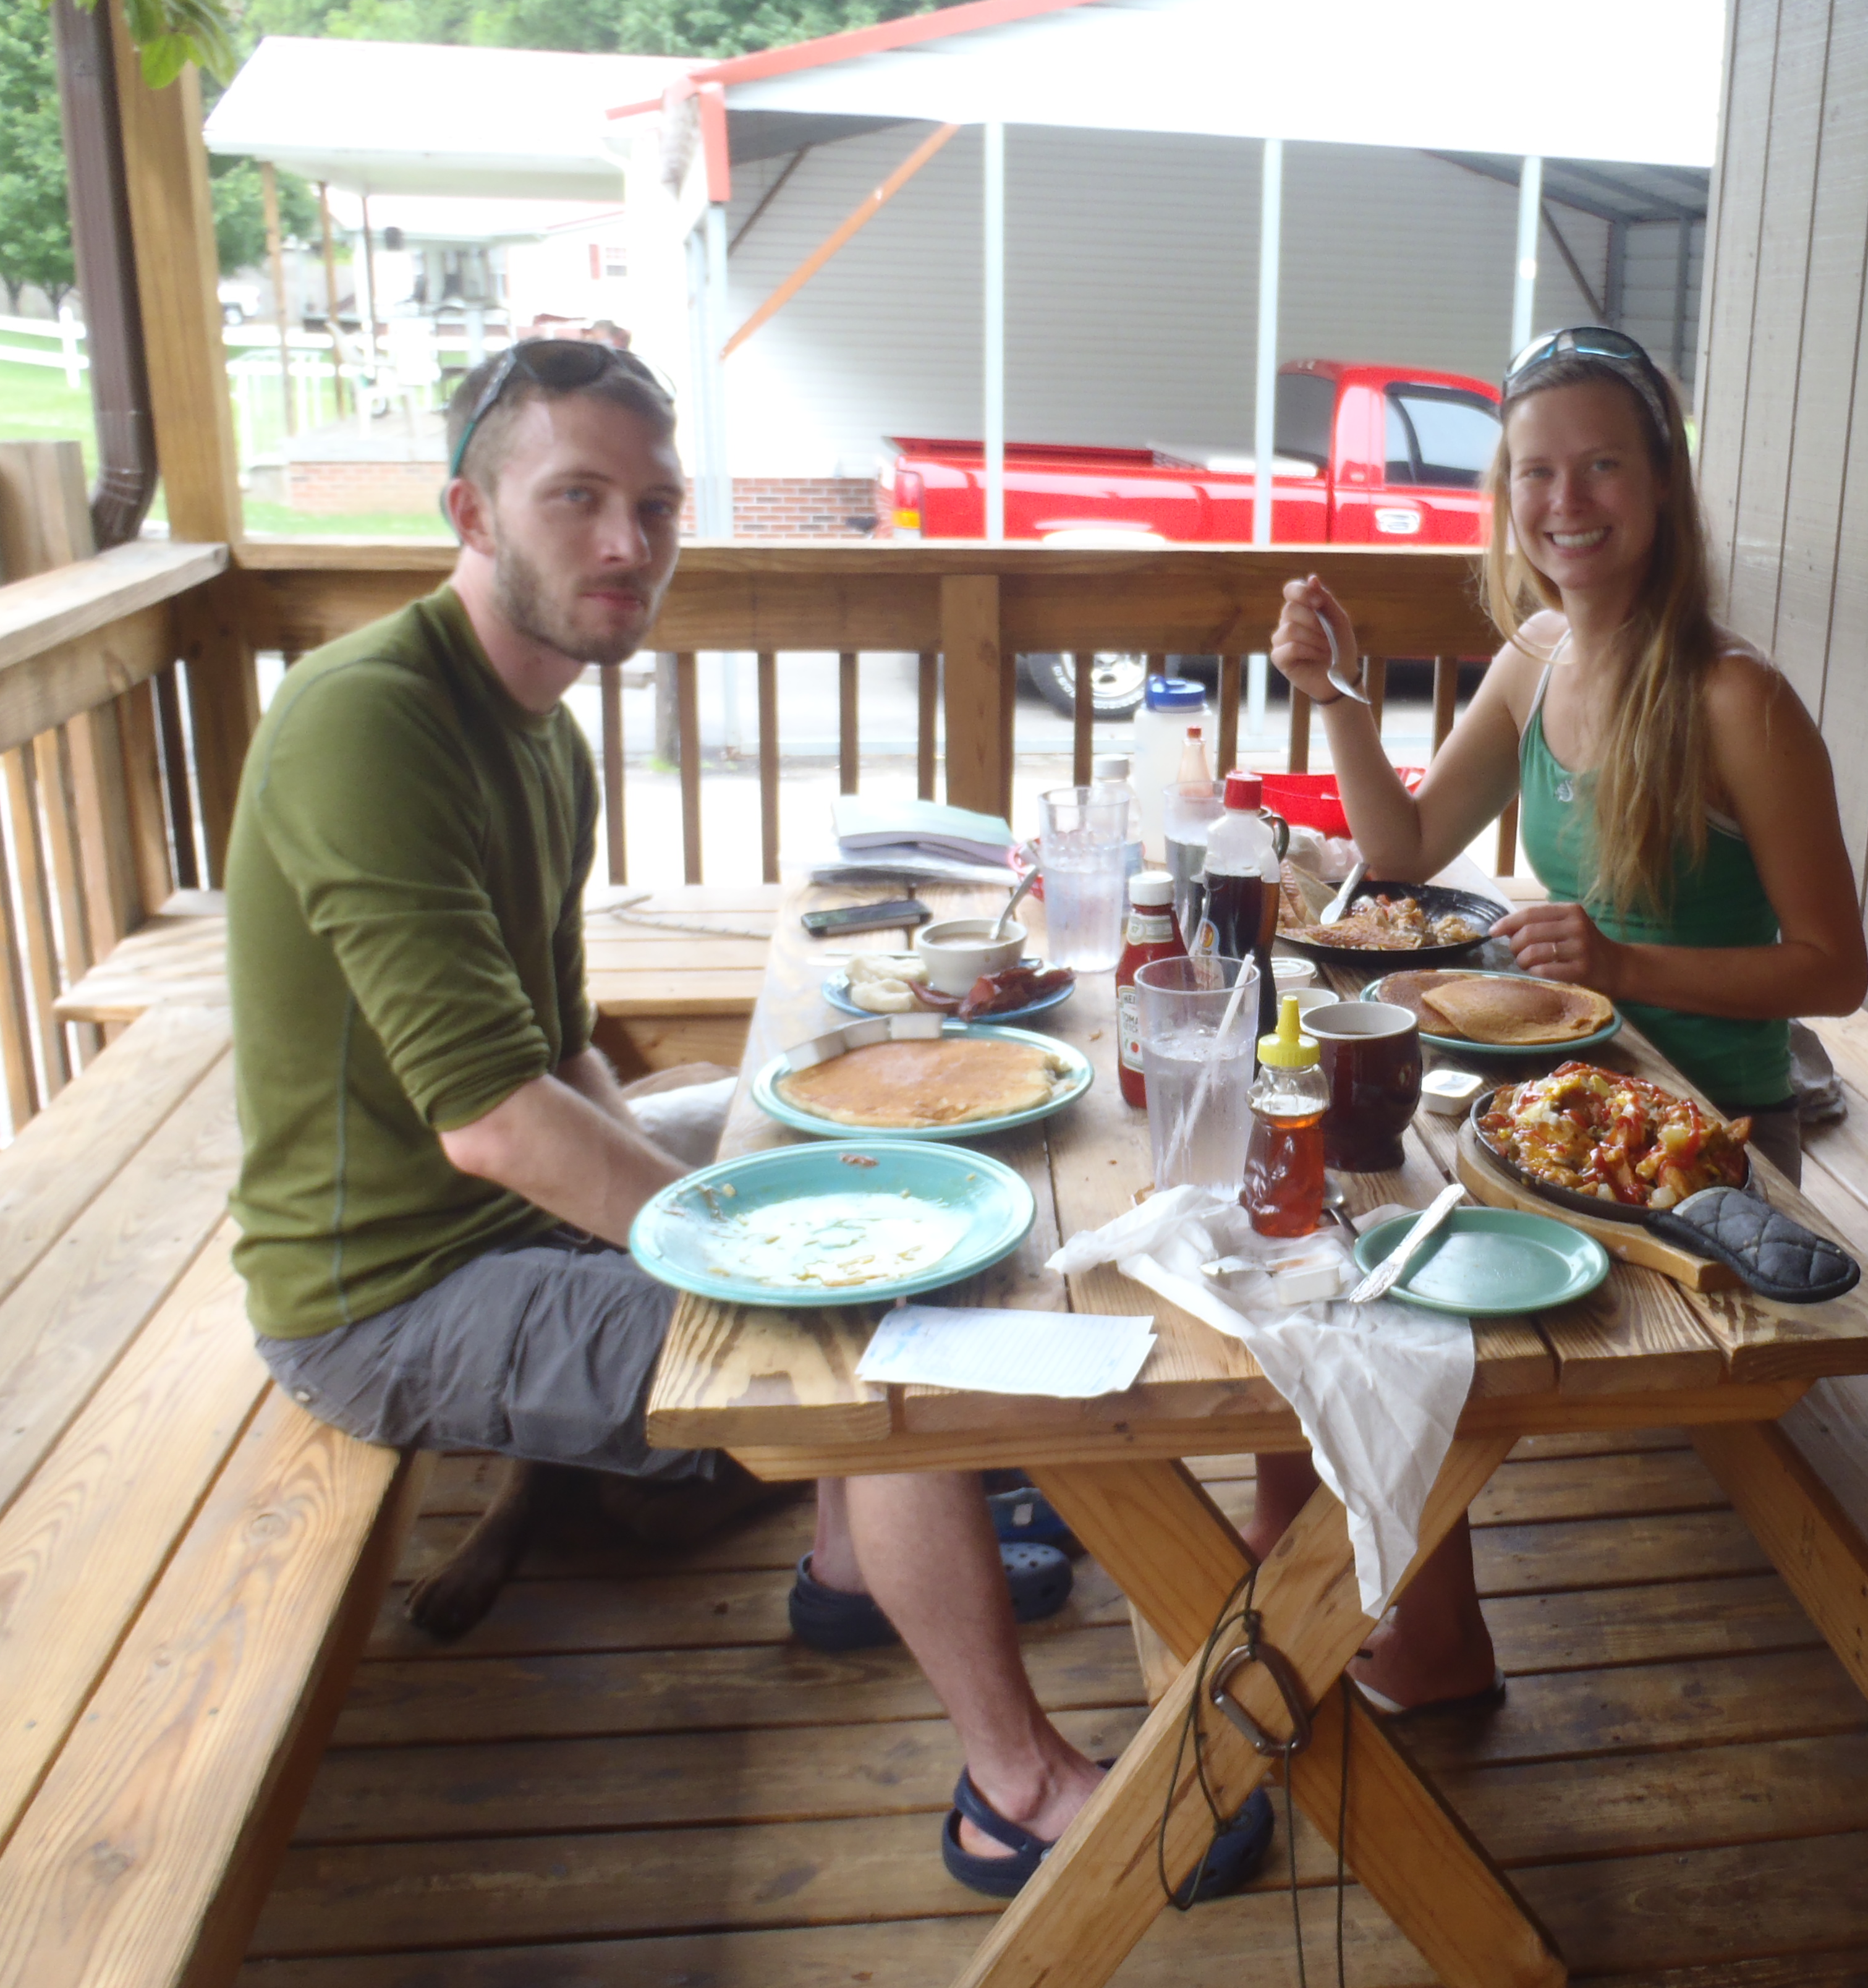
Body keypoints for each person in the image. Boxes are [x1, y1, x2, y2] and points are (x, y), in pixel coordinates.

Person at [226, 338, 1268, 1898]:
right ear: (469, 508)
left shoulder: (535, 724)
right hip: (381, 1293)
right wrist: (760, 1245)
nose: (626, 544)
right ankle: (1016, 1784)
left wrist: (771, 1186)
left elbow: (561, 1048)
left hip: (490, 1204)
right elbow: (496, 1126)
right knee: (873, 1328)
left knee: (892, 1148)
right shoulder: (367, 722)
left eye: (655, 504)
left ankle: (854, 1567)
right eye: (575, 498)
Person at [1255, 324, 1868, 1712]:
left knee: (1384, 1301)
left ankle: (1426, 1648)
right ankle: (1299, 1560)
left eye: (1600, 466)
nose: (1564, 504)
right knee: (1316, 1247)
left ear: (1659, 488)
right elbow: (1401, 845)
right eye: (1536, 473)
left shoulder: (1736, 700)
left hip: (1704, 1150)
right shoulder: (1533, 654)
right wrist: (1342, 702)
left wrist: (1625, 969)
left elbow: (1833, 971)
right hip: (1554, 1100)